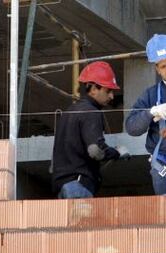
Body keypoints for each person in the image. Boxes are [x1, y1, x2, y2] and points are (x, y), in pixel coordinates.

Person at [52, 61, 127, 199]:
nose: (111, 96)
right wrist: (117, 152)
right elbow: (95, 151)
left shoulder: (69, 112)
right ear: (93, 89)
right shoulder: (92, 112)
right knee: (83, 221)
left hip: (62, 186)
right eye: (108, 90)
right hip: (78, 186)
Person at [126, 34, 166, 195]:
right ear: (157, 68)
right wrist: (151, 112)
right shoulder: (151, 95)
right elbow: (131, 127)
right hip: (163, 166)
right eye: (164, 66)